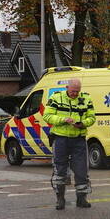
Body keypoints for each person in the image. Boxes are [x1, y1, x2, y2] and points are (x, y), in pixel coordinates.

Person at [42, 78, 95, 209]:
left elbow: (92, 117)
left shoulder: (86, 99)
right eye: (72, 91)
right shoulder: (56, 98)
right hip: (60, 139)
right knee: (60, 169)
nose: (75, 94)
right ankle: (60, 199)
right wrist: (63, 119)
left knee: (81, 170)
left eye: (77, 91)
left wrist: (83, 124)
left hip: (79, 138)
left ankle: (81, 199)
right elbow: (47, 116)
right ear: (67, 88)